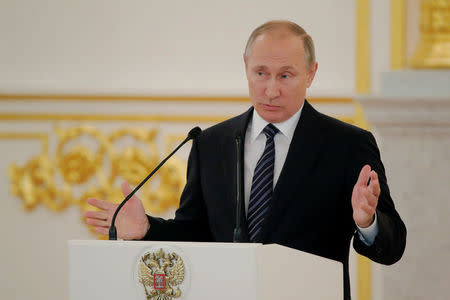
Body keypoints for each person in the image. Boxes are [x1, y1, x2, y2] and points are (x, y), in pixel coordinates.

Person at [84, 20, 406, 299]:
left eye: (285, 76)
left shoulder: (348, 145)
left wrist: (368, 222)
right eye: (261, 73)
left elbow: (393, 247)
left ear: (311, 74)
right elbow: (196, 234)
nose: (270, 90)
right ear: (246, 67)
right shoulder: (210, 143)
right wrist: (147, 229)